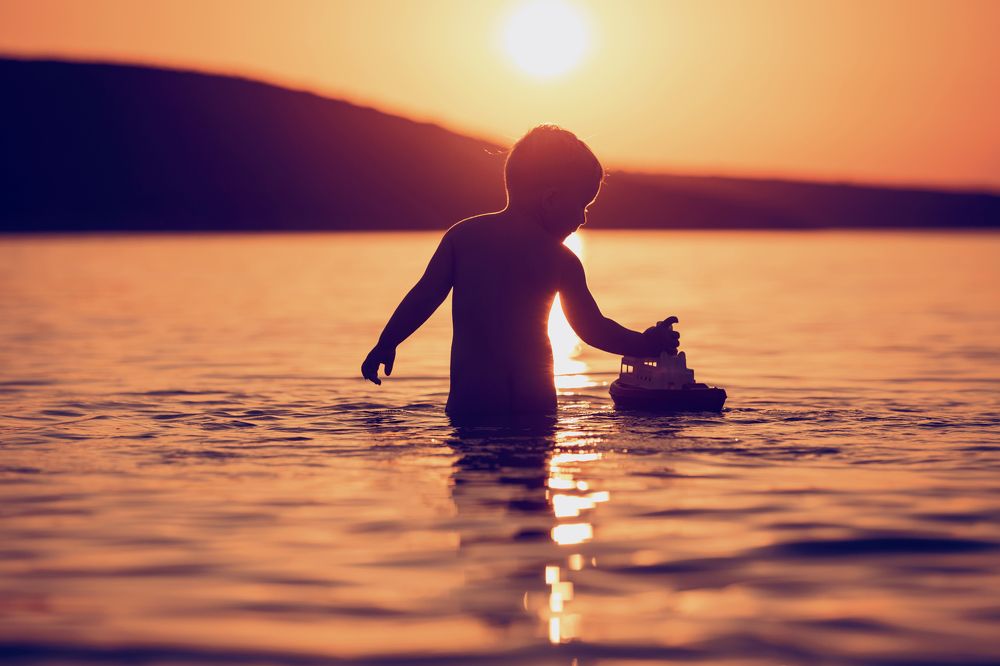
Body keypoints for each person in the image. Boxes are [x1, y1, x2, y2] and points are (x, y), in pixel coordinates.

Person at [361, 124, 679, 423]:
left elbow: (424, 296)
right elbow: (593, 329)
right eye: (582, 205)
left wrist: (387, 341)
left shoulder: (463, 238)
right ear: (551, 199)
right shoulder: (560, 261)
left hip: (472, 411)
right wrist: (646, 344)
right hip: (534, 413)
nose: (583, 218)